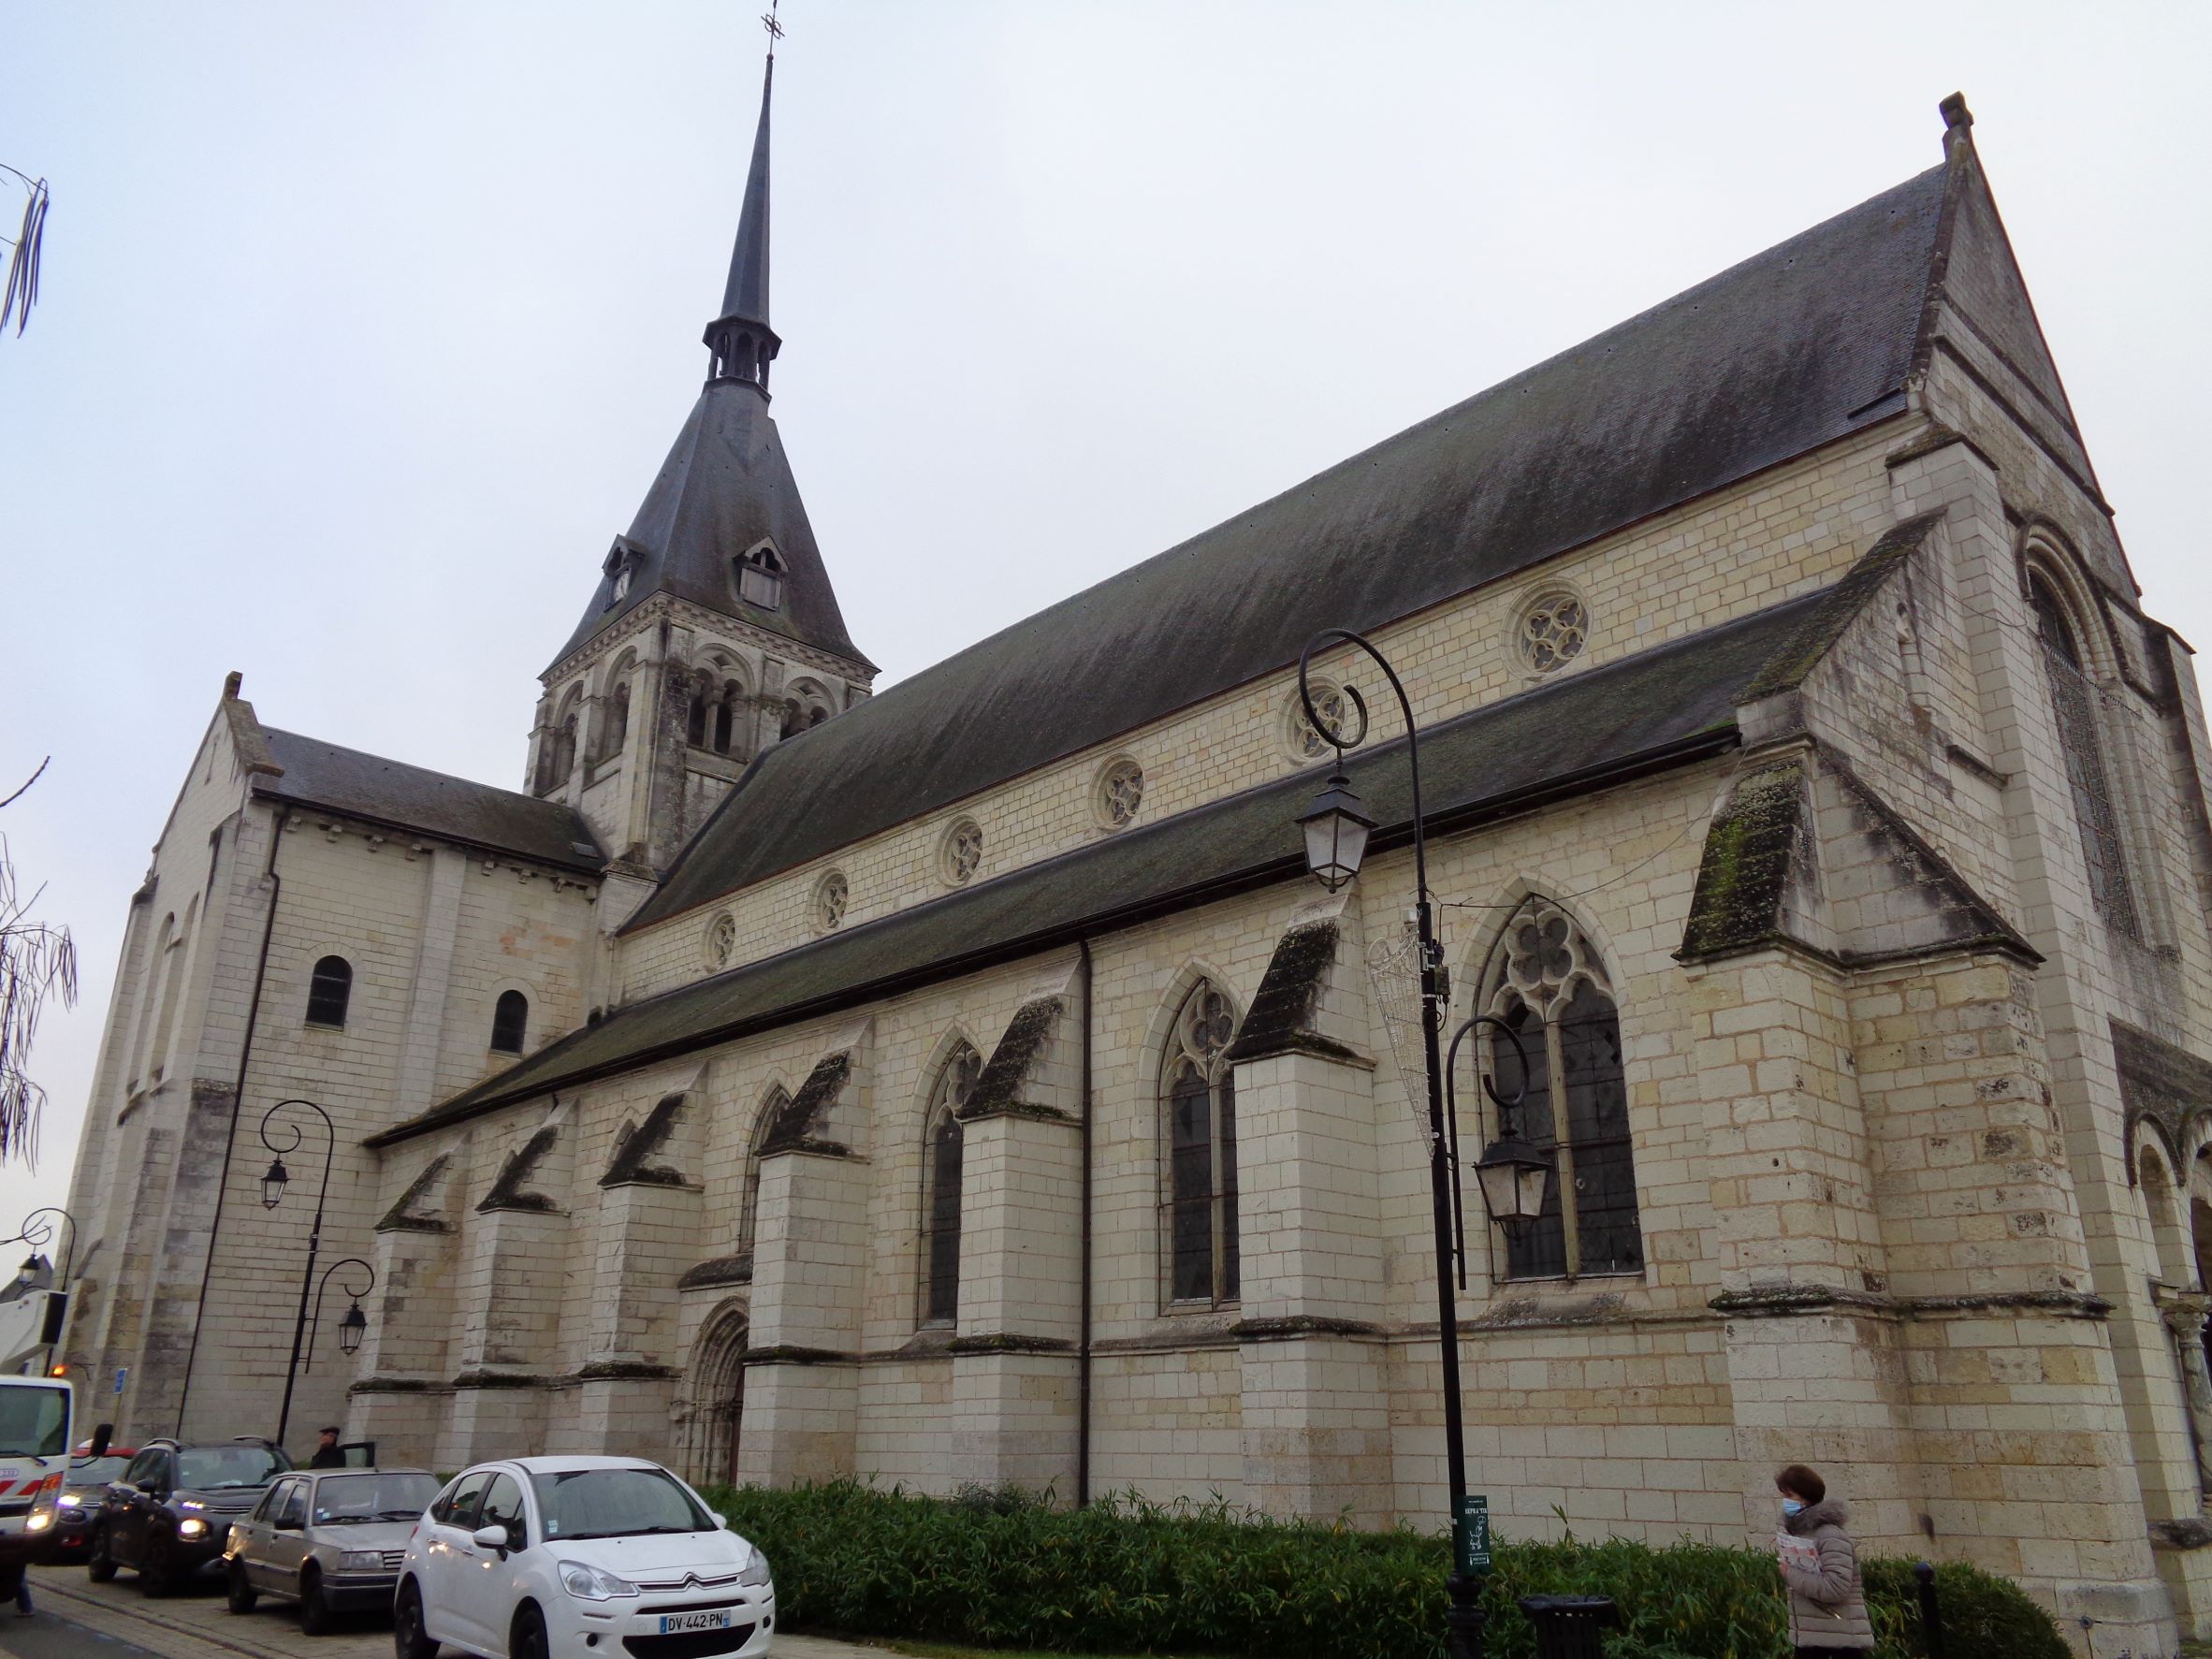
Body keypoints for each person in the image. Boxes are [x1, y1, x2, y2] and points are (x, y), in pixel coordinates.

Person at [1775, 1464, 1872, 1657]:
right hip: (1811, 1639)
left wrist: (1790, 1574)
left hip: (1838, 1643)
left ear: (1805, 1498)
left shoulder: (1830, 1535)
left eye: (1790, 1496)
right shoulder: (1803, 1534)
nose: (1785, 1502)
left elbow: (1836, 1587)